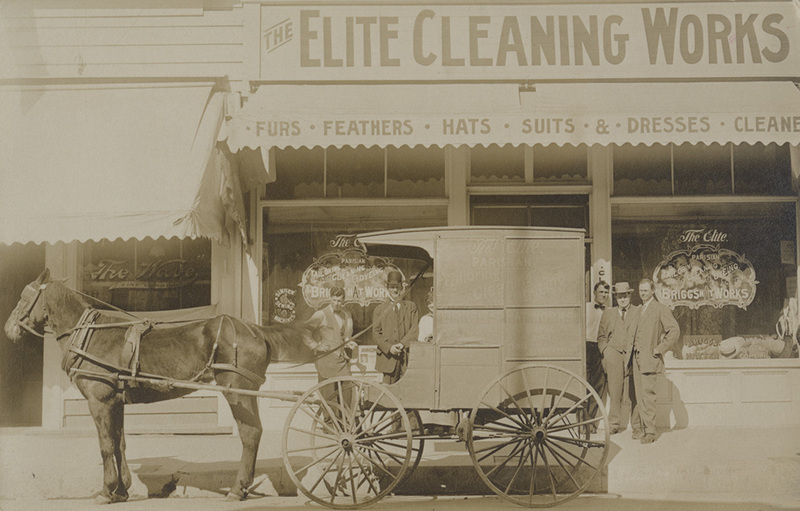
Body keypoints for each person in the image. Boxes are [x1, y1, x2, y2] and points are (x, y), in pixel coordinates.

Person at [630, 278, 680, 444]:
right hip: (635, 359)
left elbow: (674, 331)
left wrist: (659, 349)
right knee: (639, 397)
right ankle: (642, 429)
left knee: (648, 396)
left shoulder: (660, 309)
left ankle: (651, 432)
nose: (642, 293)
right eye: (640, 290)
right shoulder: (638, 310)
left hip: (649, 359)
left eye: (645, 290)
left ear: (652, 291)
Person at [597, 282, 639, 435]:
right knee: (614, 392)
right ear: (615, 298)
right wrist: (606, 351)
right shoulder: (608, 313)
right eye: (619, 296)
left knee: (635, 391)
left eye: (625, 296)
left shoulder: (638, 311)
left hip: (632, 355)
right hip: (613, 354)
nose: (622, 299)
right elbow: (601, 336)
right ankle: (614, 424)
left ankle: (637, 426)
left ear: (630, 295)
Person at [305, 286, 357, 407]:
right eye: (334, 300)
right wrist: (315, 346)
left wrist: (348, 342)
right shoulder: (320, 314)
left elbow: (343, 336)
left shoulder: (346, 315)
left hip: (341, 362)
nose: (336, 303)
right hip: (326, 362)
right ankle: (329, 425)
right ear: (330, 298)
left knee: (347, 397)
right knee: (329, 402)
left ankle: (344, 425)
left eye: (339, 301)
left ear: (343, 300)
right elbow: (304, 332)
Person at [373, 270, 418, 384]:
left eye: (397, 287)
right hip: (388, 359)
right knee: (388, 393)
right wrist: (389, 348)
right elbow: (376, 333)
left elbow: (415, 329)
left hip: (406, 358)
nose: (395, 290)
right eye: (392, 287)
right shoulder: (380, 310)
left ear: (402, 287)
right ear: (387, 288)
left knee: (408, 389)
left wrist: (402, 344)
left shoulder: (411, 307)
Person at [585, 281, 610, 432]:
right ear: (594, 293)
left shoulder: (609, 311)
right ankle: (583, 424)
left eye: (606, 293)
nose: (603, 295)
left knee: (598, 386)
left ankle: (592, 423)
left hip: (601, 349)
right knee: (584, 386)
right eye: (601, 292)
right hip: (586, 347)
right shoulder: (586, 308)